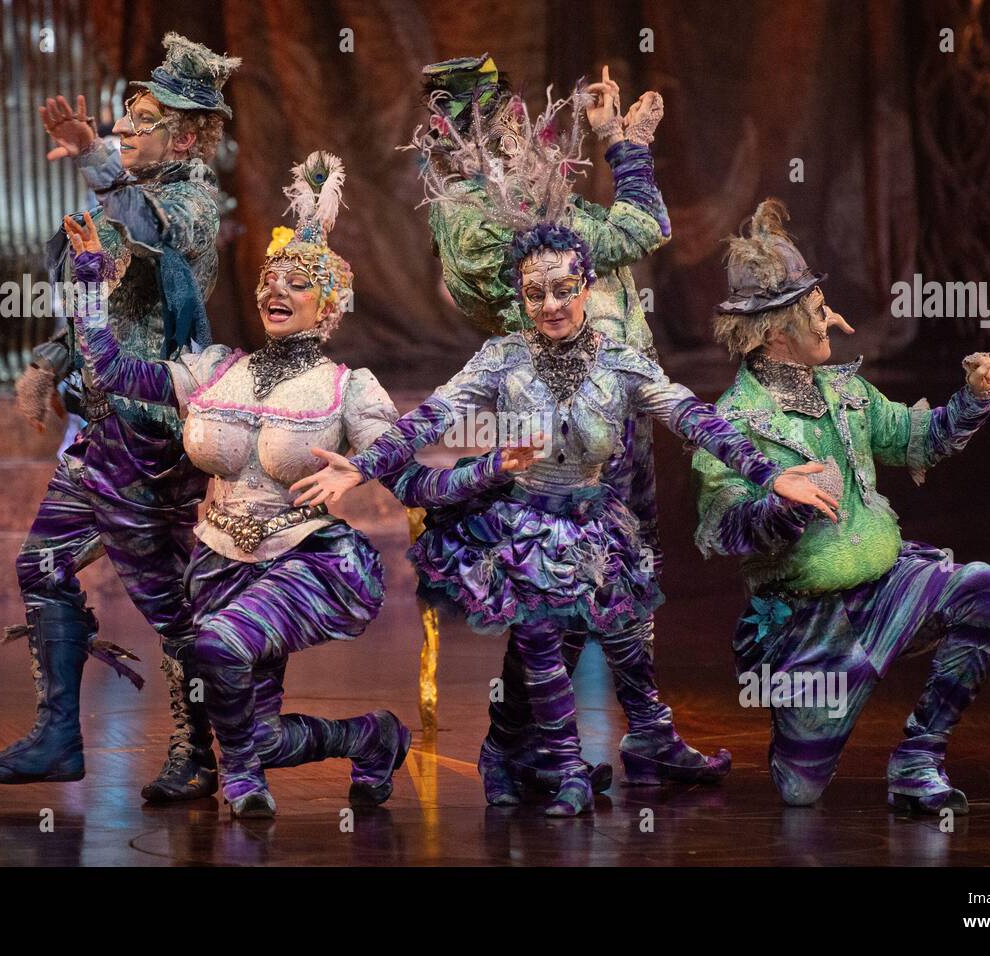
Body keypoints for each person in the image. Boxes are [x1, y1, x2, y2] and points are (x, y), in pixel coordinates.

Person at [291, 98, 835, 816]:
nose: (551, 305)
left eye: (564, 289)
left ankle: (511, 754)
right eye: (536, 294)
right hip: (525, 522)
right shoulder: (502, 355)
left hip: (597, 520)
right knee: (544, 638)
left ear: (587, 284)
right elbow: (434, 414)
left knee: (601, 630)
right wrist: (364, 464)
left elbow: (694, 419)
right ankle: (564, 768)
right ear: (519, 299)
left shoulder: (620, 360)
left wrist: (771, 473)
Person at [63, 152, 533, 818]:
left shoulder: (348, 389)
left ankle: (244, 786)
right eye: (268, 280)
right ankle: (370, 736)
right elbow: (109, 371)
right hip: (218, 566)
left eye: (295, 282)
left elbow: (414, 485)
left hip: (308, 563)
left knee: (214, 649)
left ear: (329, 305)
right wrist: (89, 278)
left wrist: (493, 466)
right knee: (251, 733)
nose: (274, 291)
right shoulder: (213, 371)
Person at [409, 57, 738, 794]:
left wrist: (620, 145)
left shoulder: (543, 199)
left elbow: (640, 227)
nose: (513, 134)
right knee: (566, 592)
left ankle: (631, 735)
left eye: (511, 118)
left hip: (620, 401)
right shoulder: (472, 216)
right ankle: (519, 749)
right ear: (453, 133)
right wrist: (618, 164)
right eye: (490, 125)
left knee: (624, 580)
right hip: (560, 417)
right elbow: (618, 236)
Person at [0, 34, 240, 803]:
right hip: (97, 434)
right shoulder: (122, 193)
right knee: (42, 564)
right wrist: (50, 361)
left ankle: (201, 750)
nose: (124, 125)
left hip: (152, 435)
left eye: (142, 118)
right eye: (122, 114)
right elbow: (105, 306)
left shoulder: (190, 200)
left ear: (184, 136)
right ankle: (58, 738)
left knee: (170, 604)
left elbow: (150, 238)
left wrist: (94, 157)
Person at [692, 198, 990, 813]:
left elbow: (918, 438)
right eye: (815, 311)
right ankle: (799, 733)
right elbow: (722, 522)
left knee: (980, 591)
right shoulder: (732, 421)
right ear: (778, 329)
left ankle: (919, 759)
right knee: (800, 791)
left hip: (885, 582)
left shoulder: (846, 390)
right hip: (811, 622)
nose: (831, 319)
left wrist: (972, 398)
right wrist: (782, 510)